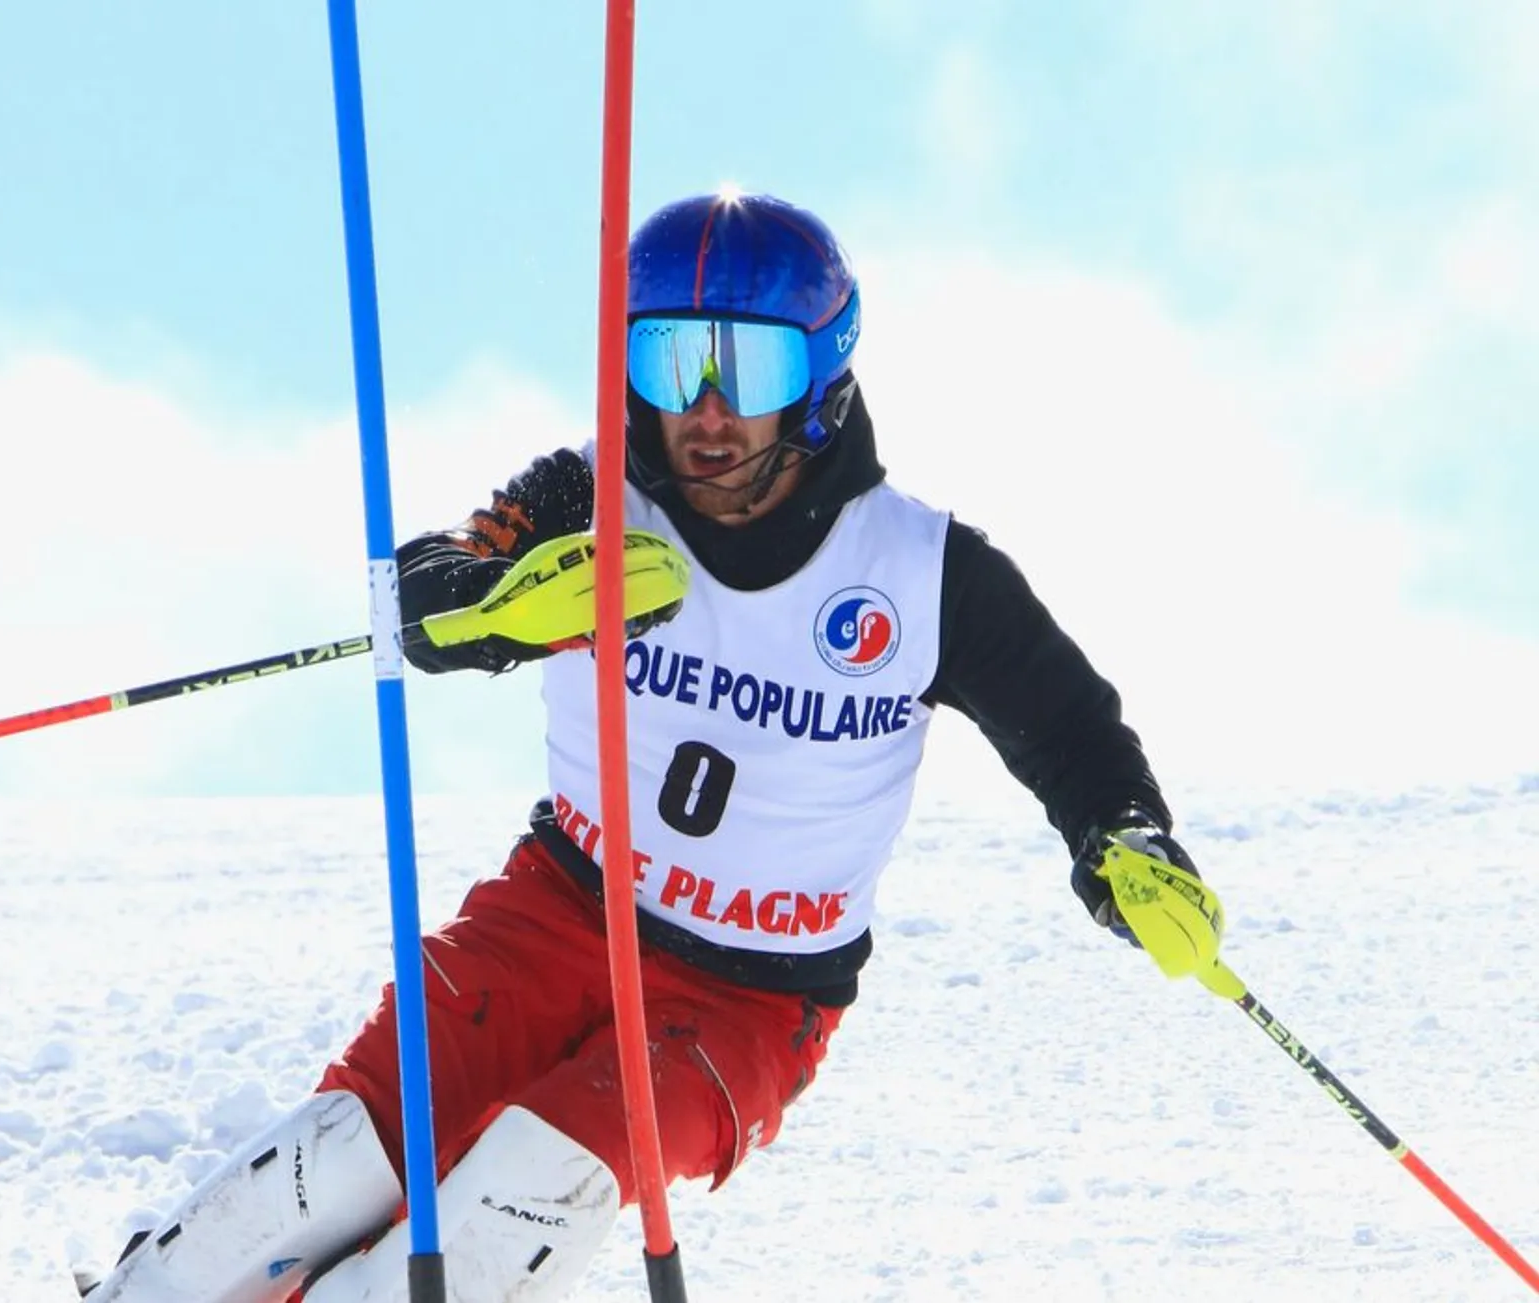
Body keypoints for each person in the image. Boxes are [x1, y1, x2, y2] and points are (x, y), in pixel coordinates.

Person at [81, 190, 1210, 1303]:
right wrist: (493, 607)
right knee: (328, 1163)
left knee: (520, 1197)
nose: (704, 413)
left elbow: (1072, 731)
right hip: (555, 912)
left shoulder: (925, 572)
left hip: (748, 998)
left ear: (819, 381)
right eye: (669, 363)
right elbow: (422, 590)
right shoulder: (589, 494)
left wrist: (1124, 839)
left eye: (748, 371)